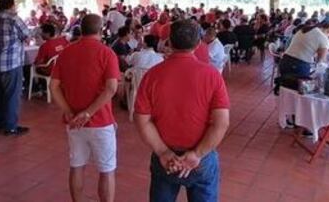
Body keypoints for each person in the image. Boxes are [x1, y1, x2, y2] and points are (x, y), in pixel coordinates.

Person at [134, 20, 230, 202]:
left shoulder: (152, 76)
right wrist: (197, 154)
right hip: (201, 159)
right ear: (198, 43)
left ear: (169, 42)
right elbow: (221, 123)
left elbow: (142, 120)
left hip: (166, 159)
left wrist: (163, 152)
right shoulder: (212, 76)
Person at [50, 14, 120, 202]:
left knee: (77, 166)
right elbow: (112, 88)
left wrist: (68, 111)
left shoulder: (66, 52)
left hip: (74, 122)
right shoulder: (107, 53)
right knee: (106, 170)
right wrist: (88, 112)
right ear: (101, 29)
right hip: (101, 121)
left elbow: (53, 87)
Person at [0, 0, 30, 136]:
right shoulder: (14, 19)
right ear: (11, 6)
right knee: (12, 95)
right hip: (11, 63)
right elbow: (26, 35)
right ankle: (10, 127)